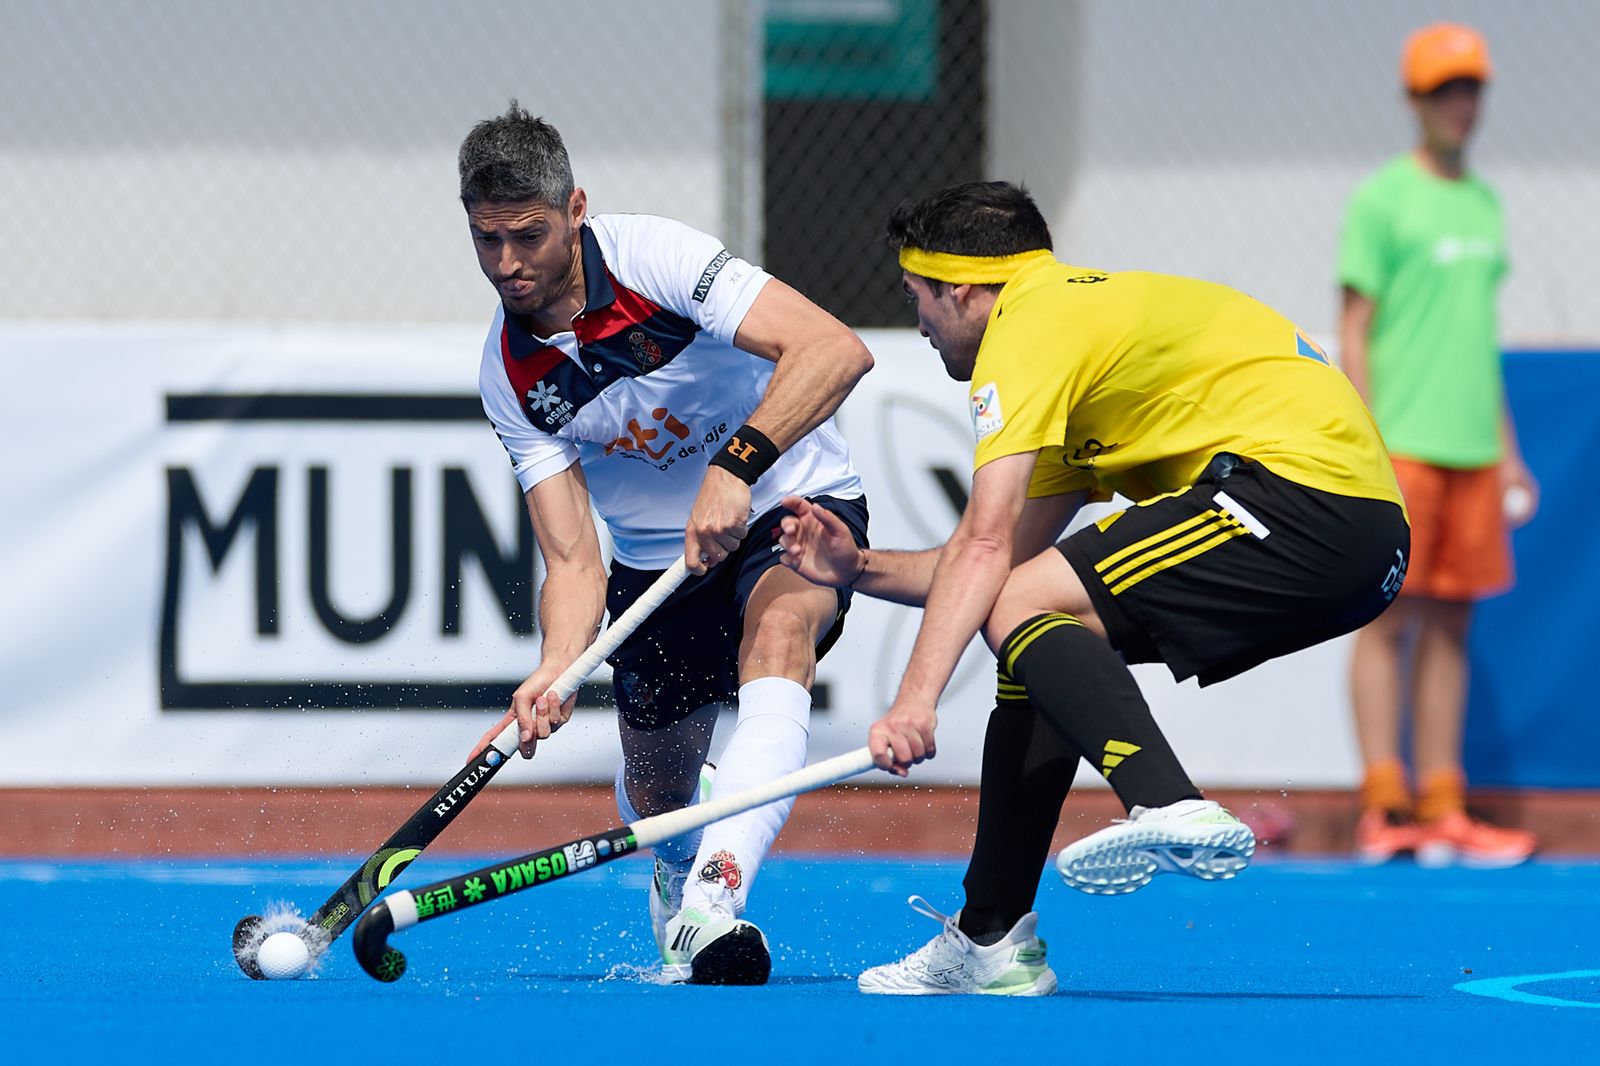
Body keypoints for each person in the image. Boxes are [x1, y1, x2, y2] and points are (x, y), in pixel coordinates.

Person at [777, 181, 1410, 995]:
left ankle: (1165, 800)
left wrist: (914, 702)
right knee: (1031, 642)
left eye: (919, 300)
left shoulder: (1030, 324)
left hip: (1304, 500)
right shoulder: (1079, 336)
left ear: (963, 289)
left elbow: (985, 545)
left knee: (1025, 608)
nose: (922, 327)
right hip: (1352, 535)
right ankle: (991, 941)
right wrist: (854, 568)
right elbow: (994, 566)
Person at [460, 104, 874, 985]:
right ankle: (679, 865)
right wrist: (555, 665)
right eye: (486, 239)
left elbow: (833, 350)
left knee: (780, 639)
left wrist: (738, 465)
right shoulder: (510, 375)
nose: (507, 264)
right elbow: (572, 559)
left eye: (526, 236)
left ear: (574, 209)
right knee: (657, 790)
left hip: (786, 501)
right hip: (656, 568)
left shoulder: (658, 258)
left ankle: (715, 903)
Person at [1340, 23, 1538, 867]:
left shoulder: (1485, 202)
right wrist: (1365, 437)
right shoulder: (1383, 199)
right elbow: (1356, 330)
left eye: (1471, 89)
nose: (1462, 104)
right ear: (1415, 100)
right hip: (1404, 446)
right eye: (1445, 89)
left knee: (1453, 626)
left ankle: (1443, 806)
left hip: (1473, 451)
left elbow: (1476, 341)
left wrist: (1511, 452)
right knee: (1386, 621)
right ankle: (1384, 806)